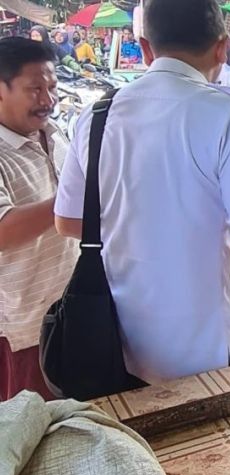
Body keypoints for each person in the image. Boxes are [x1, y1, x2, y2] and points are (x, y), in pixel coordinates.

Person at [54, 0, 230, 385]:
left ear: (145, 47)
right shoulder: (225, 114)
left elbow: (68, 220)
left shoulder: (96, 116)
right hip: (204, 353)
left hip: (115, 347)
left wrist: (135, 230)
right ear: (222, 48)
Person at [0, 38, 78, 401]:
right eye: (34, 89)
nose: (47, 100)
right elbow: (3, 230)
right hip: (24, 330)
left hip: (72, 313)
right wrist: (76, 199)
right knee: (32, 431)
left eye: (52, 88)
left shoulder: (56, 134)